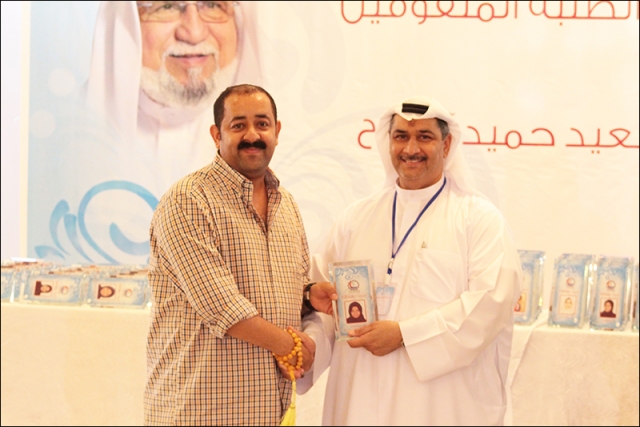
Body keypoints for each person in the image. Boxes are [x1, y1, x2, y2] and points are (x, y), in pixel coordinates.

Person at [299, 96, 523, 425]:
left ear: (446, 145)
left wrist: (405, 334)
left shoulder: (479, 220)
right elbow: (324, 302)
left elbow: (489, 307)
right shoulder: (356, 219)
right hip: (360, 397)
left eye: (424, 137)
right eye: (401, 136)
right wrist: (311, 345)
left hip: (439, 407)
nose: (410, 148)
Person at [144, 84, 326, 425]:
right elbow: (221, 305)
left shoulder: (286, 205)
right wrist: (293, 346)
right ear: (217, 134)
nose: (252, 135)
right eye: (238, 125)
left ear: (277, 131)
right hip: (200, 411)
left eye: (262, 124)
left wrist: (308, 294)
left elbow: (277, 290)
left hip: (267, 411)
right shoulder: (188, 200)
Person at [85, 1, 263, 191]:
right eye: (167, 6)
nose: (194, 34)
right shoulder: (73, 138)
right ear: (125, 22)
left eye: (212, 5)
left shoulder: (280, 151)